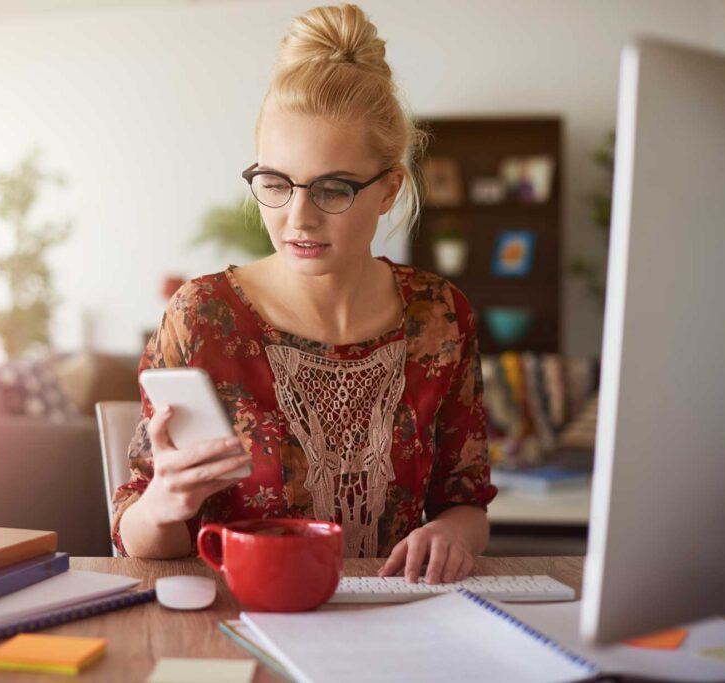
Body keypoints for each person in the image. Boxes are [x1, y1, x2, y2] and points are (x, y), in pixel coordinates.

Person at [113, 3, 497, 585]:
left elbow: (466, 502)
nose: (298, 218)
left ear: (390, 188)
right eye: (275, 184)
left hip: (392, 623)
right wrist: (166, 500)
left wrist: (449, 535)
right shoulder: (203, 318)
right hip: (240, 621)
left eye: (333, 189)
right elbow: (135, 537)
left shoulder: (441, 316)